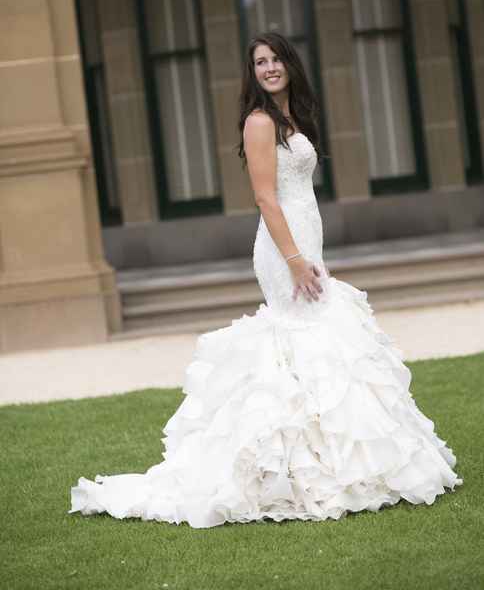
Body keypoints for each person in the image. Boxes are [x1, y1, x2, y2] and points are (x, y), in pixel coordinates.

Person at [69, 31, 463, 528]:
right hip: (283, 249)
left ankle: (329, 457)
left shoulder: (292, 118)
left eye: (276, 59)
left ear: (290, 64)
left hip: (305, 239)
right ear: (252, 73)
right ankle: (296, 465)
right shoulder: (259, 122)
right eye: (260, 62)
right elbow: (265, 197)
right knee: (305, 336)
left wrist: (308, 251)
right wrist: (295, 259)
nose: (270, 67)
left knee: (319, 342)